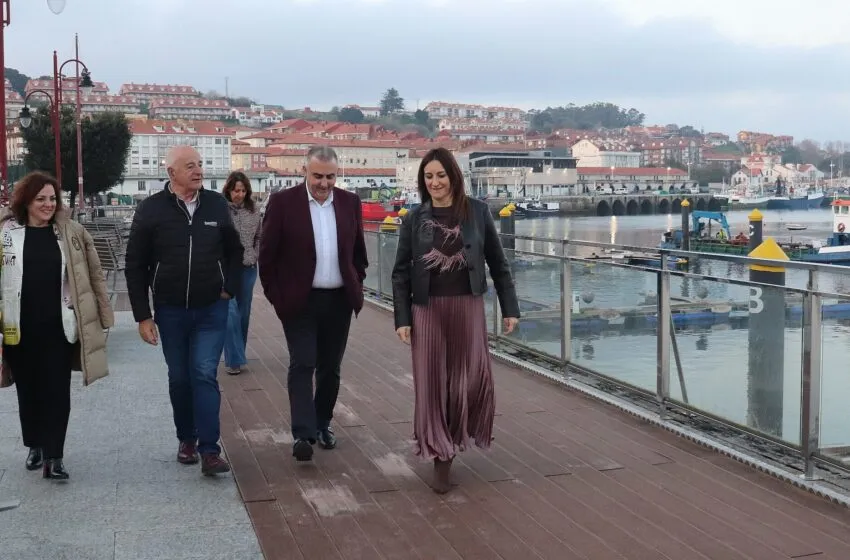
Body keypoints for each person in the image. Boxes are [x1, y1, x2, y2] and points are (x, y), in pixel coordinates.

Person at [391, 147, 520, 494]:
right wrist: (402, 317)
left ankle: (460, 434)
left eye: (441, 175)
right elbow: (401, 271)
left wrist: (510, 307)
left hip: (467, 306)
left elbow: (497, 261)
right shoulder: (415, 218)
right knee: (432, 384)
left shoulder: (477, 212)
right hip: (427, 309)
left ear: (454, 177)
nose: (435, 182)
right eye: (428, 177)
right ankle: (440, 455)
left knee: (468, 379)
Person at [124, 145, 243, 476]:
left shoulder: (217, 205)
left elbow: (235, 251)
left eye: (200, 165)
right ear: (171, 172)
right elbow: (135, 265)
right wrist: (142, 316)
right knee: (180, 378)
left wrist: (229, 287)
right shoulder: (151, 210)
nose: (198, 170)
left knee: (204, 373)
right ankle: (186, 439)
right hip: (170, 310)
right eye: (190, 166)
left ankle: (209, 450)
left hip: (211, 310)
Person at [0, 171, 114, 481]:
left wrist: (104, 315)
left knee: (57, 391)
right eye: (41, 199)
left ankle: (55, 455)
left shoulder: (70, 232)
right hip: (17, 329)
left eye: (52, 198)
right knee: (29, 390)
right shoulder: (6, 233)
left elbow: (93, 274)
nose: (49, 204)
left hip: (58, 327)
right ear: (26, 201)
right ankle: (34, 444)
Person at [259, 145, 367, 462]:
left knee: (330, 368)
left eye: (330, 176)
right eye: (318, 175)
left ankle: (322, 424)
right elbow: (266, 258)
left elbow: (359, 253)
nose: (323, 183)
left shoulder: (350, 203)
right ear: (304, 170)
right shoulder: (282, 203)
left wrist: (356, 281)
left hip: (338, 300)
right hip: (299, 301)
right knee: (303, 362)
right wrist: (278, 299)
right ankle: (302, 434)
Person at [221, 171, 262, 375]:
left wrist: (255, 254)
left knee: (243, 314)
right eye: (236, 190)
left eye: (243, 190)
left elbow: (259, 237)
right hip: (226, 270)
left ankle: (237, 356)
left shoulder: (254, 210)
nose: (240, 194)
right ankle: (235, 360)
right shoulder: (219, 209)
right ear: (229, 190)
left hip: (247, 268)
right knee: (230, 313)